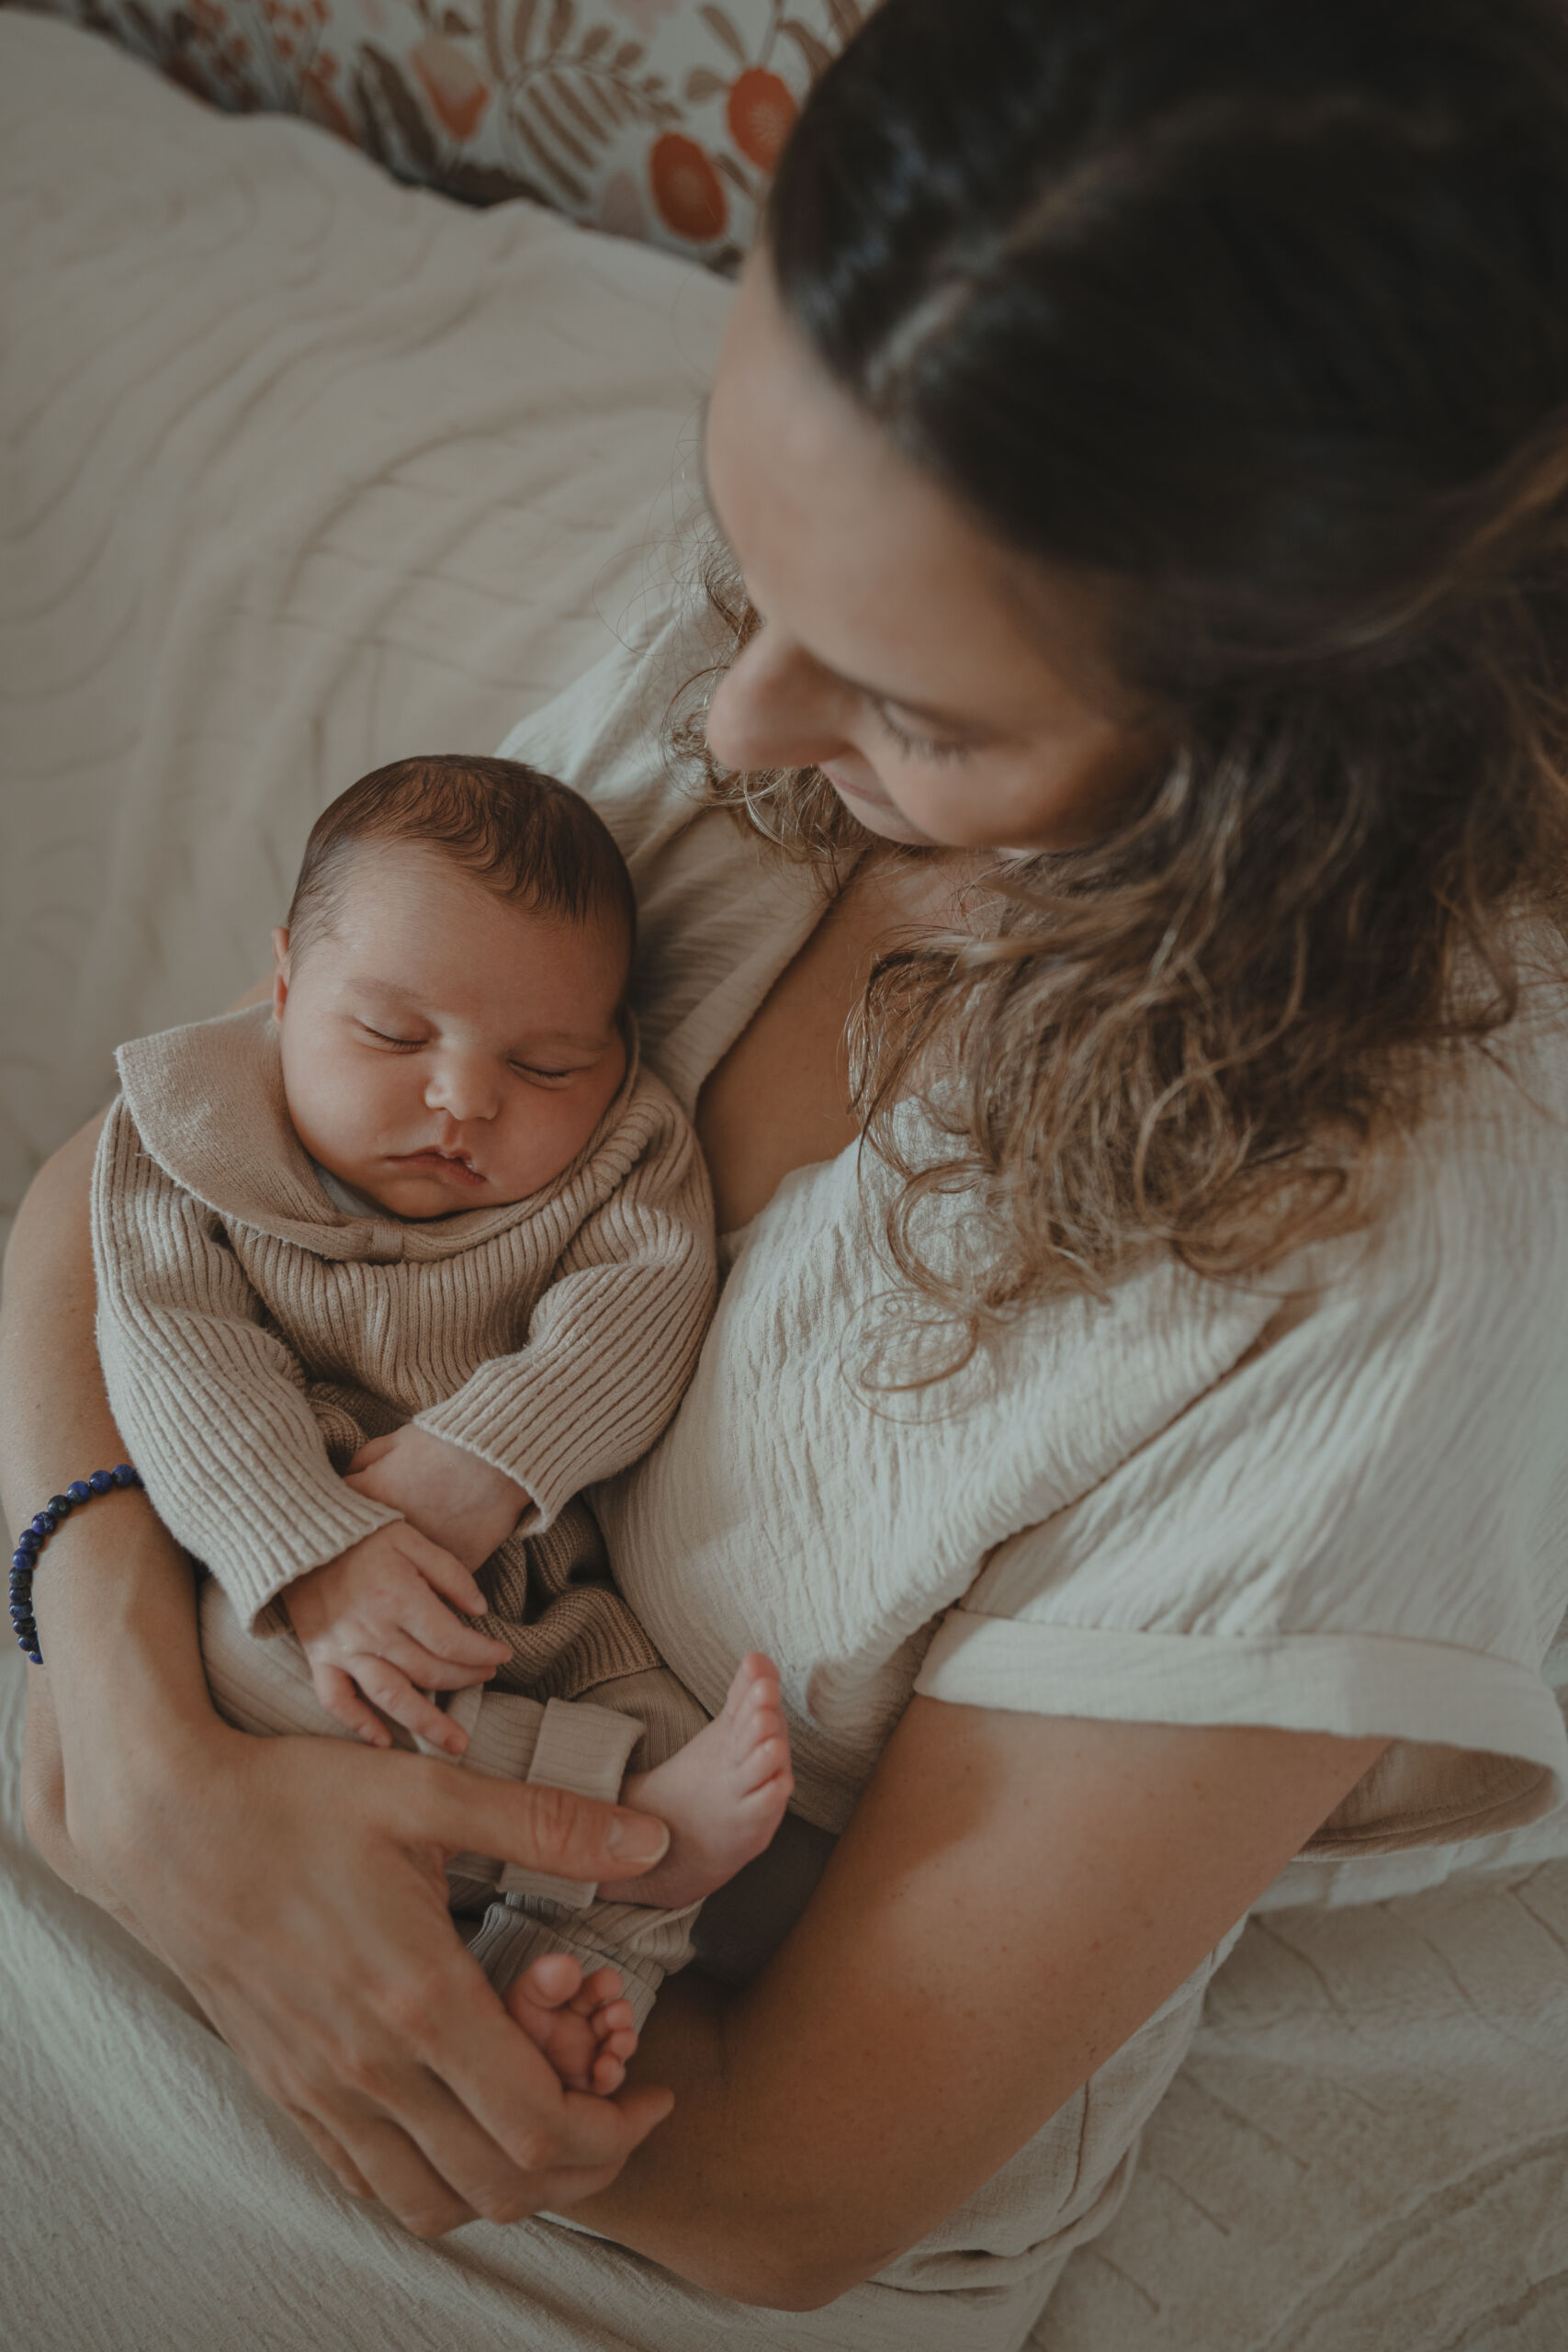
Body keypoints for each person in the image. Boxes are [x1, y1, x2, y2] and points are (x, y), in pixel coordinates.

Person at [7, 1, 1568, 2345]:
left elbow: (793, 2180)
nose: (732, 731)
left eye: (916, 712)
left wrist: (264, 1899)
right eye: (748, 558)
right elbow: (138, 1187)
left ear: (1285, 774)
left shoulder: (1376, 1252)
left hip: (574, 2115)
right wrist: (125, 1730)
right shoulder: (797, 622)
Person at [87, 751, 794, 2091]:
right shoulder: (188, 1133)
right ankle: (621, 1840)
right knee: (233, 1678)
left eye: (543, 1062)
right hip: (300, 1598)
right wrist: (312, 1546)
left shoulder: (625, 1156)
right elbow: (175, 1353)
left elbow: (640, 1312)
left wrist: (487, 1456)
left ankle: (557, 1979)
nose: (465, 1099)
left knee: (651, 1693)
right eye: (395, 1038)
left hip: (538, 1604)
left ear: (619, 1052)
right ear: (286, 987)